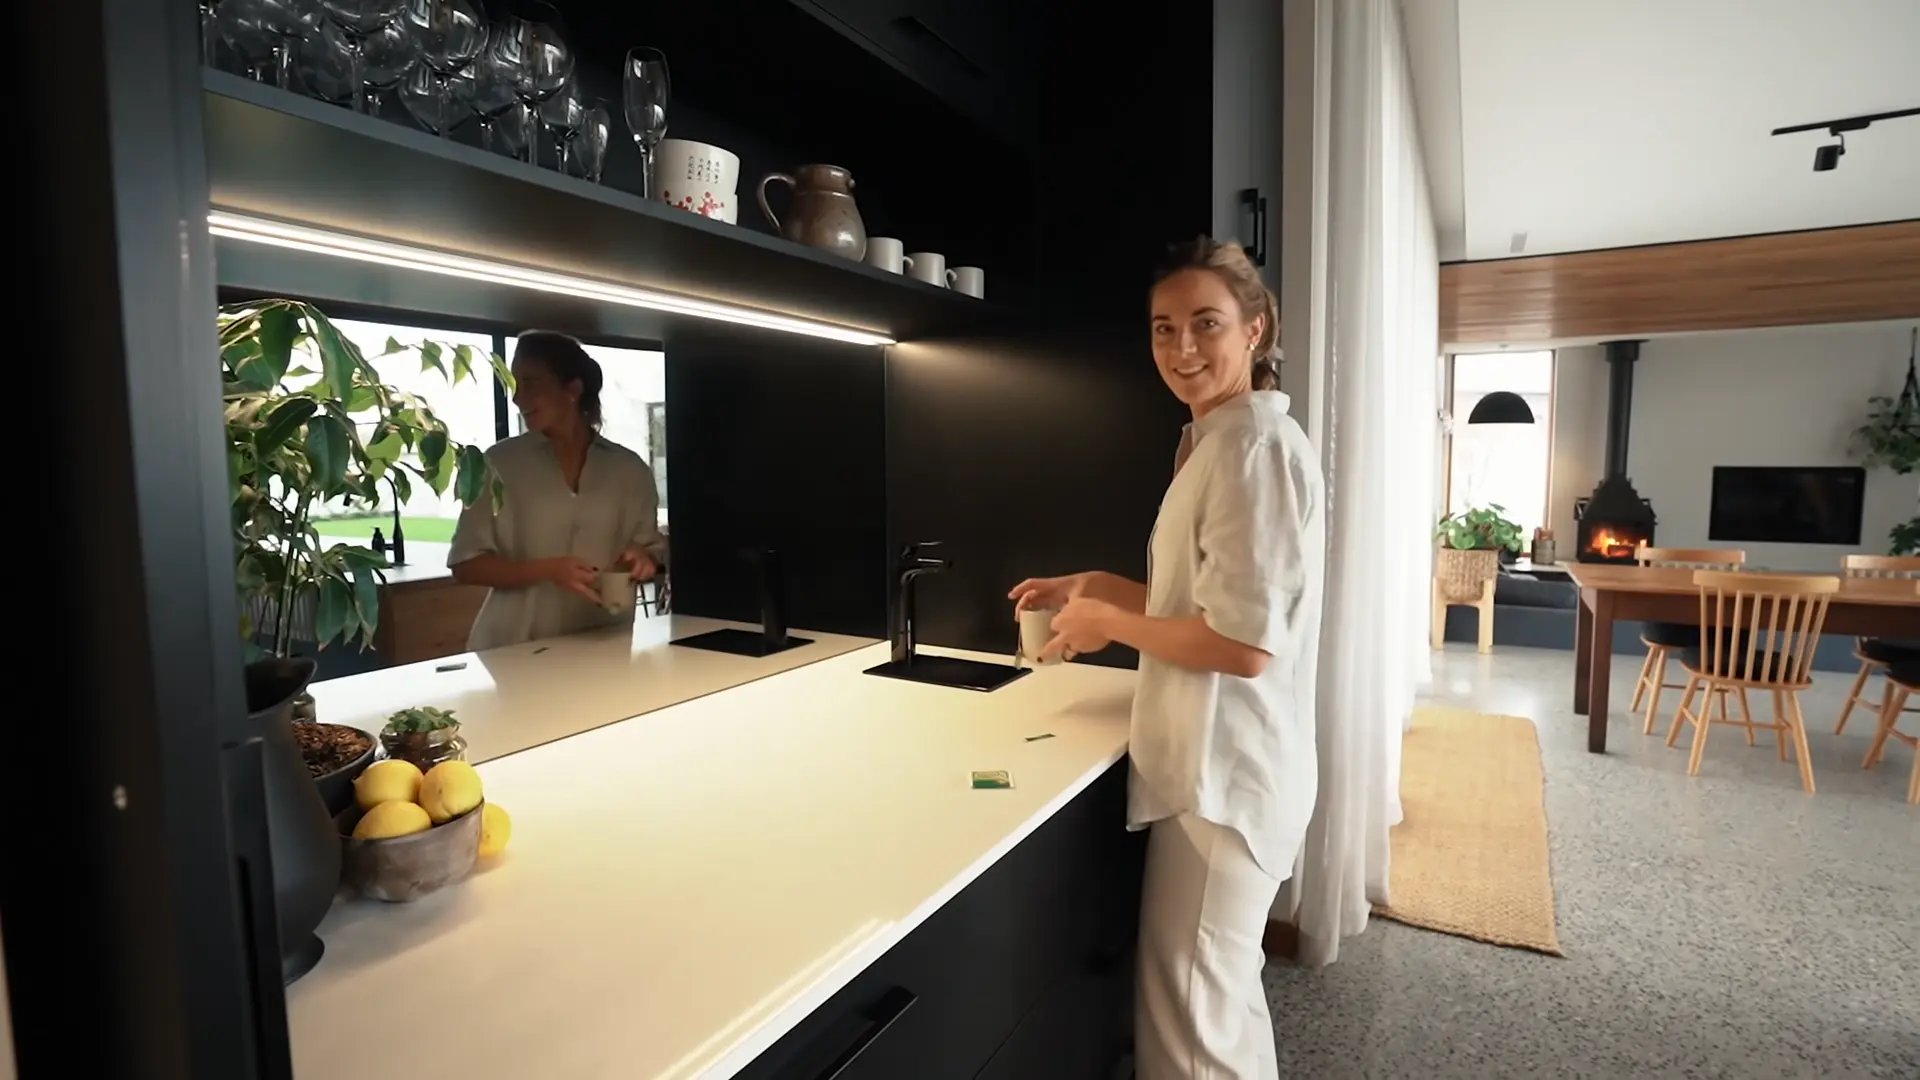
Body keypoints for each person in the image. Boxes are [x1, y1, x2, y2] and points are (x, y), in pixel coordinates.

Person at [1008, 238, 1325, 1079]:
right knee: (1215, 1007)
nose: (1182, 349)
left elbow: (1245, 646)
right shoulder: (1215, 440)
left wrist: (1109, 620)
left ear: (1255, 331)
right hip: (1217, 769)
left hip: (1227, 778)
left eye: (1206, 324)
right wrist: (1096, 584)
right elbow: (1200, 606)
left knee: (1191, 1029)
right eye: (1163, 329)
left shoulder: (1250, 450)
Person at [448, 331, 668, 651]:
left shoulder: (630, 470)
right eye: (514, 384)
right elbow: (464, 565)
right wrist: (546, 570)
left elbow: (652, 552)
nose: (517, 398)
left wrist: (645, 558)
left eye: (532, 383)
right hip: (511, 652)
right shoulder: (496, 463)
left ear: (573, 389)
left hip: (603, 648)